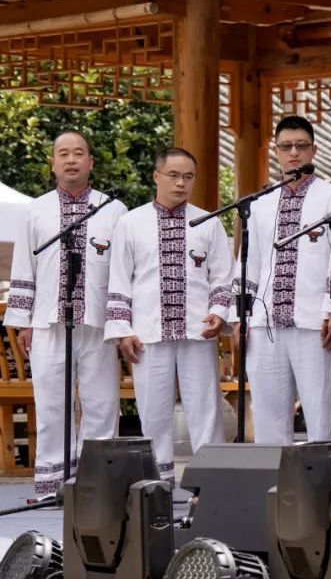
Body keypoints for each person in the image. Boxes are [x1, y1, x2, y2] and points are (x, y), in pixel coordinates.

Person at [4, 131, 127, 499]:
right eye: (63, 153)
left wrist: (121, 322)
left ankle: (98, 486)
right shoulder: (35, 210)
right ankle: (52, 486)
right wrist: (23, 322)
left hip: (99, 323)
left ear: (91, 162)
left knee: (102, 403)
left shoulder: (113, 209)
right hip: (46, 323)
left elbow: (123, 270)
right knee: (51, 403)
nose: (71, 159)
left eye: (78, 153)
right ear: (53, 163)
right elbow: (24, 266)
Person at [105, 147, 231, 485]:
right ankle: (157, 487)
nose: (181, 183)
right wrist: (122, 329)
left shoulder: (208, 222)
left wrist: (218, 313)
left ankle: (209, 486)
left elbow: (223, 277)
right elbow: (119, 280)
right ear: (156, 176)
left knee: (205, 410)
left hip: (198, 331)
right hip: (147, 332)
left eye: (188, 177)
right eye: (173, 175)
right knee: (153, 413)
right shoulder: (130, 223)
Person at [235, 116, 331, 444]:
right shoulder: (260, 204)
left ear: (314, 150)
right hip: (265, 325)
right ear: (276, 151)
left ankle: (322, 476)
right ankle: (274, 477)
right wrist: (240, 317)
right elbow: (248, 263)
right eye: (286, 146)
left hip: (314, 325)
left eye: (301, 146)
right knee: (267, 416)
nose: (294, 153)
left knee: (321, 412)